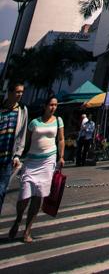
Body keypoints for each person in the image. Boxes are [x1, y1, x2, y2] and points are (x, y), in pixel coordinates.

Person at [9, 94, 64, 242]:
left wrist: (61, 156)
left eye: (56, 105)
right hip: (32, 161)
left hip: (48, 161)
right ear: (45, 106)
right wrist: (17, 155)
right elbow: (24, 141)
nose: (53, 107)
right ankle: (18, 219)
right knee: (24, 196)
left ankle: (28, 230)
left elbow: (60, 139)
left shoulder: (58, 121)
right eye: (51, 105)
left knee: (38, 196)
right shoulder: (34, 123)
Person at [0, 81, 28, 214]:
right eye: (18, 92)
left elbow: (22, 134)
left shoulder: (22, 110)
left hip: (8, 159)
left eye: (22, 92)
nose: (20, 95)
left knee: (1, 191)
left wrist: (17, 154)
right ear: (10, 92)